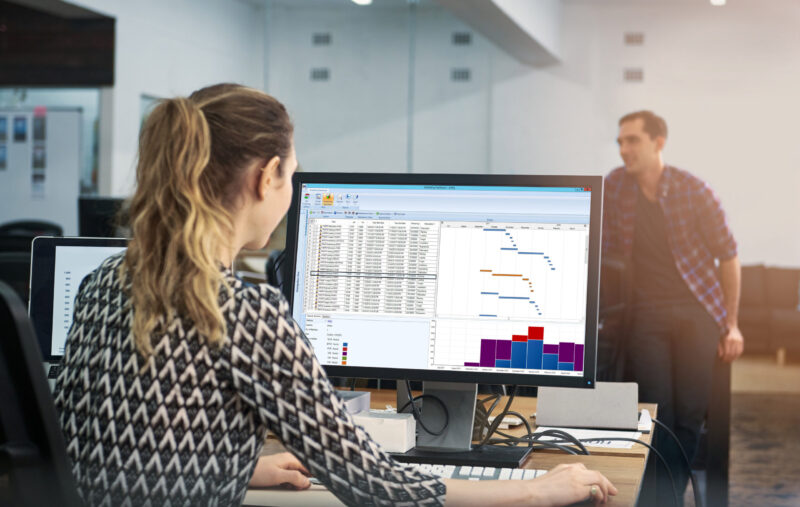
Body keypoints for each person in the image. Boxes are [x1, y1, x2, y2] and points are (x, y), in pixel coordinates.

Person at [53, 83, 616, 506]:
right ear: (266, 177)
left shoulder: (103, 280)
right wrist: (538, 491)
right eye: (292, 175)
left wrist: (235, 465)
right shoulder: (244, 313)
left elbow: (110, 445)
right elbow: (379, 486)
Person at [604, 110, 744, 504]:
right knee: (657, 415)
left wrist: (731, 324)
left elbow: (729, 256)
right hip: (645, 317)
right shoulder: (616, 187)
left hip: (697, 313)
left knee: (689, 414)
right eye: (620, 142)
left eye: (632, 140)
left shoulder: (692, 189)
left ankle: (664, 496)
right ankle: (658, 499)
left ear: (658, 142)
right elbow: (602, 247)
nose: (624, 149)